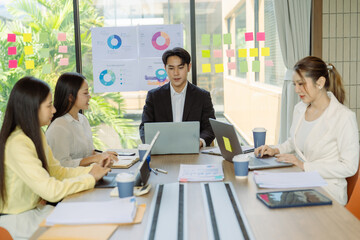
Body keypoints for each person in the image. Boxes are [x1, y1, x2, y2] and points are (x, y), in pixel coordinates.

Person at [0, 77, 110, 239]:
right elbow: (50, 191)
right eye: (49, 105)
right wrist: (90, 178)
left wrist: (91, 171)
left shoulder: (36, 134)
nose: (53, 110)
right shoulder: (17, 143)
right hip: (17, 220)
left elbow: (57, 172)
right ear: (32, 108)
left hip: (35, 211)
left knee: (88, 218)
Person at [254, 56, 359, 205]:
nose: (297, 90)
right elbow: (294, 141)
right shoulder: (300, 109)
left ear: (320, 83)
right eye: (295, 84)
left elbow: (349, 167)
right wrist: (275, 149)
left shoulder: (344, 117)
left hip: (328, 191)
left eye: (301, 84)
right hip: (303, 184)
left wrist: (304, 166)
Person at [139, 47, 216, 147]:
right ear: (165, 69)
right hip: (162, 151)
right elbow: (144, 128)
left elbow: (209, 128)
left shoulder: (202, 96)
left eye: (180, 67)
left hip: (194, 153)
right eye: (171, 68)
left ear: (189, 67)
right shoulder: (154, 96)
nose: (176, 73)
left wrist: (199, 142)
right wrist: (154, 144)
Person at [46, 72, 117, 167]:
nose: (89, 96)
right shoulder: (58, 127)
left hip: (88, 176)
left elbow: (88, 154)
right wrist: (95, 158)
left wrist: (103, 156)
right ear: (70, 97)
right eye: (85, 93)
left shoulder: (83, 119)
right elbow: (61, 165)